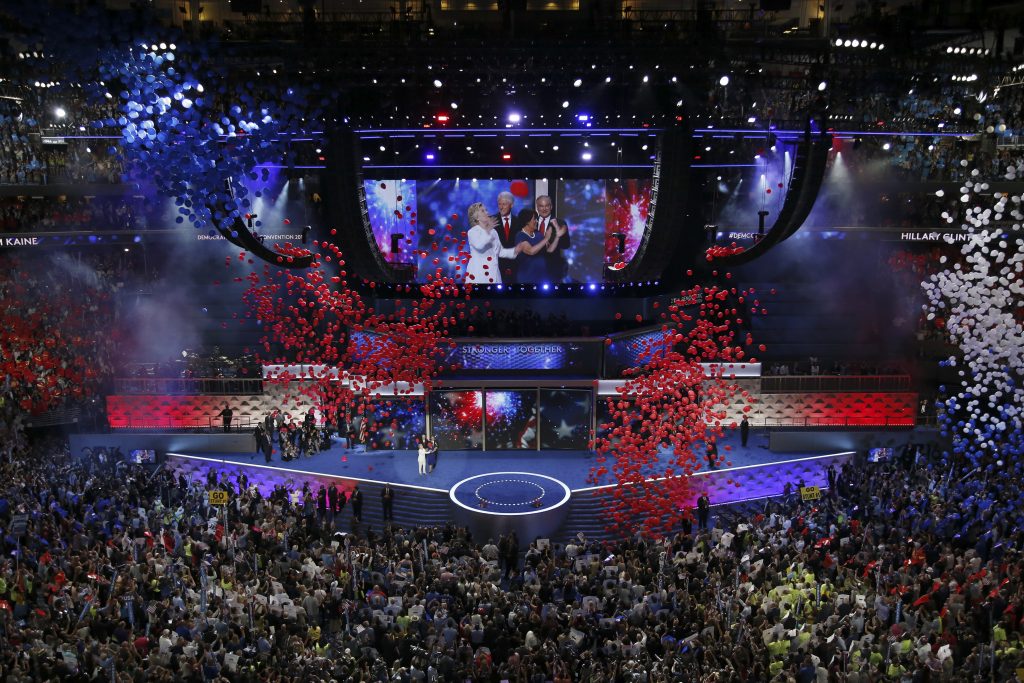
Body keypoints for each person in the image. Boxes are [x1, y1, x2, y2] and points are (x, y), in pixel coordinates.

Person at [465, 201, 524, 285]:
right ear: (476, 217)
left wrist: (515, 250)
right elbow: (479, 245)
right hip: (478, 275)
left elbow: (500, 251)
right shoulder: (473, 232)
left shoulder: (493, 232)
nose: (487, 212)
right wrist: (488, 231)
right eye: (483, 211)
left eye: (486, 210)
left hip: (495, 274)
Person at [513, 208, 556, 283]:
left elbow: (549, 250)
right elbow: (531, 251)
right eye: (534, 219)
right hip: (527, 277)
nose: (536, 221)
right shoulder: (520, 235)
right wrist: (546, 238)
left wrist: (558, 236)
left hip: (542, 277)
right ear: (527, 221)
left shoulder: (538, 235)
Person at [535, 194, 570, 282]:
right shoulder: (531, 222)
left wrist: (559, 233)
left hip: (553, 268)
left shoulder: (560, 223)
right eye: (541, 206)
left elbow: (566, 245)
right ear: (537, 207)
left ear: (551, 207)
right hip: (534, 267)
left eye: (547, 206)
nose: (544, 209)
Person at [493, 191, 518, 282]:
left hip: (515, 267)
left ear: (511, 205)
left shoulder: (519, 221)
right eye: (499, 204)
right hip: (496, 267)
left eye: (504, 204)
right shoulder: (491, 221)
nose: (501, 207)